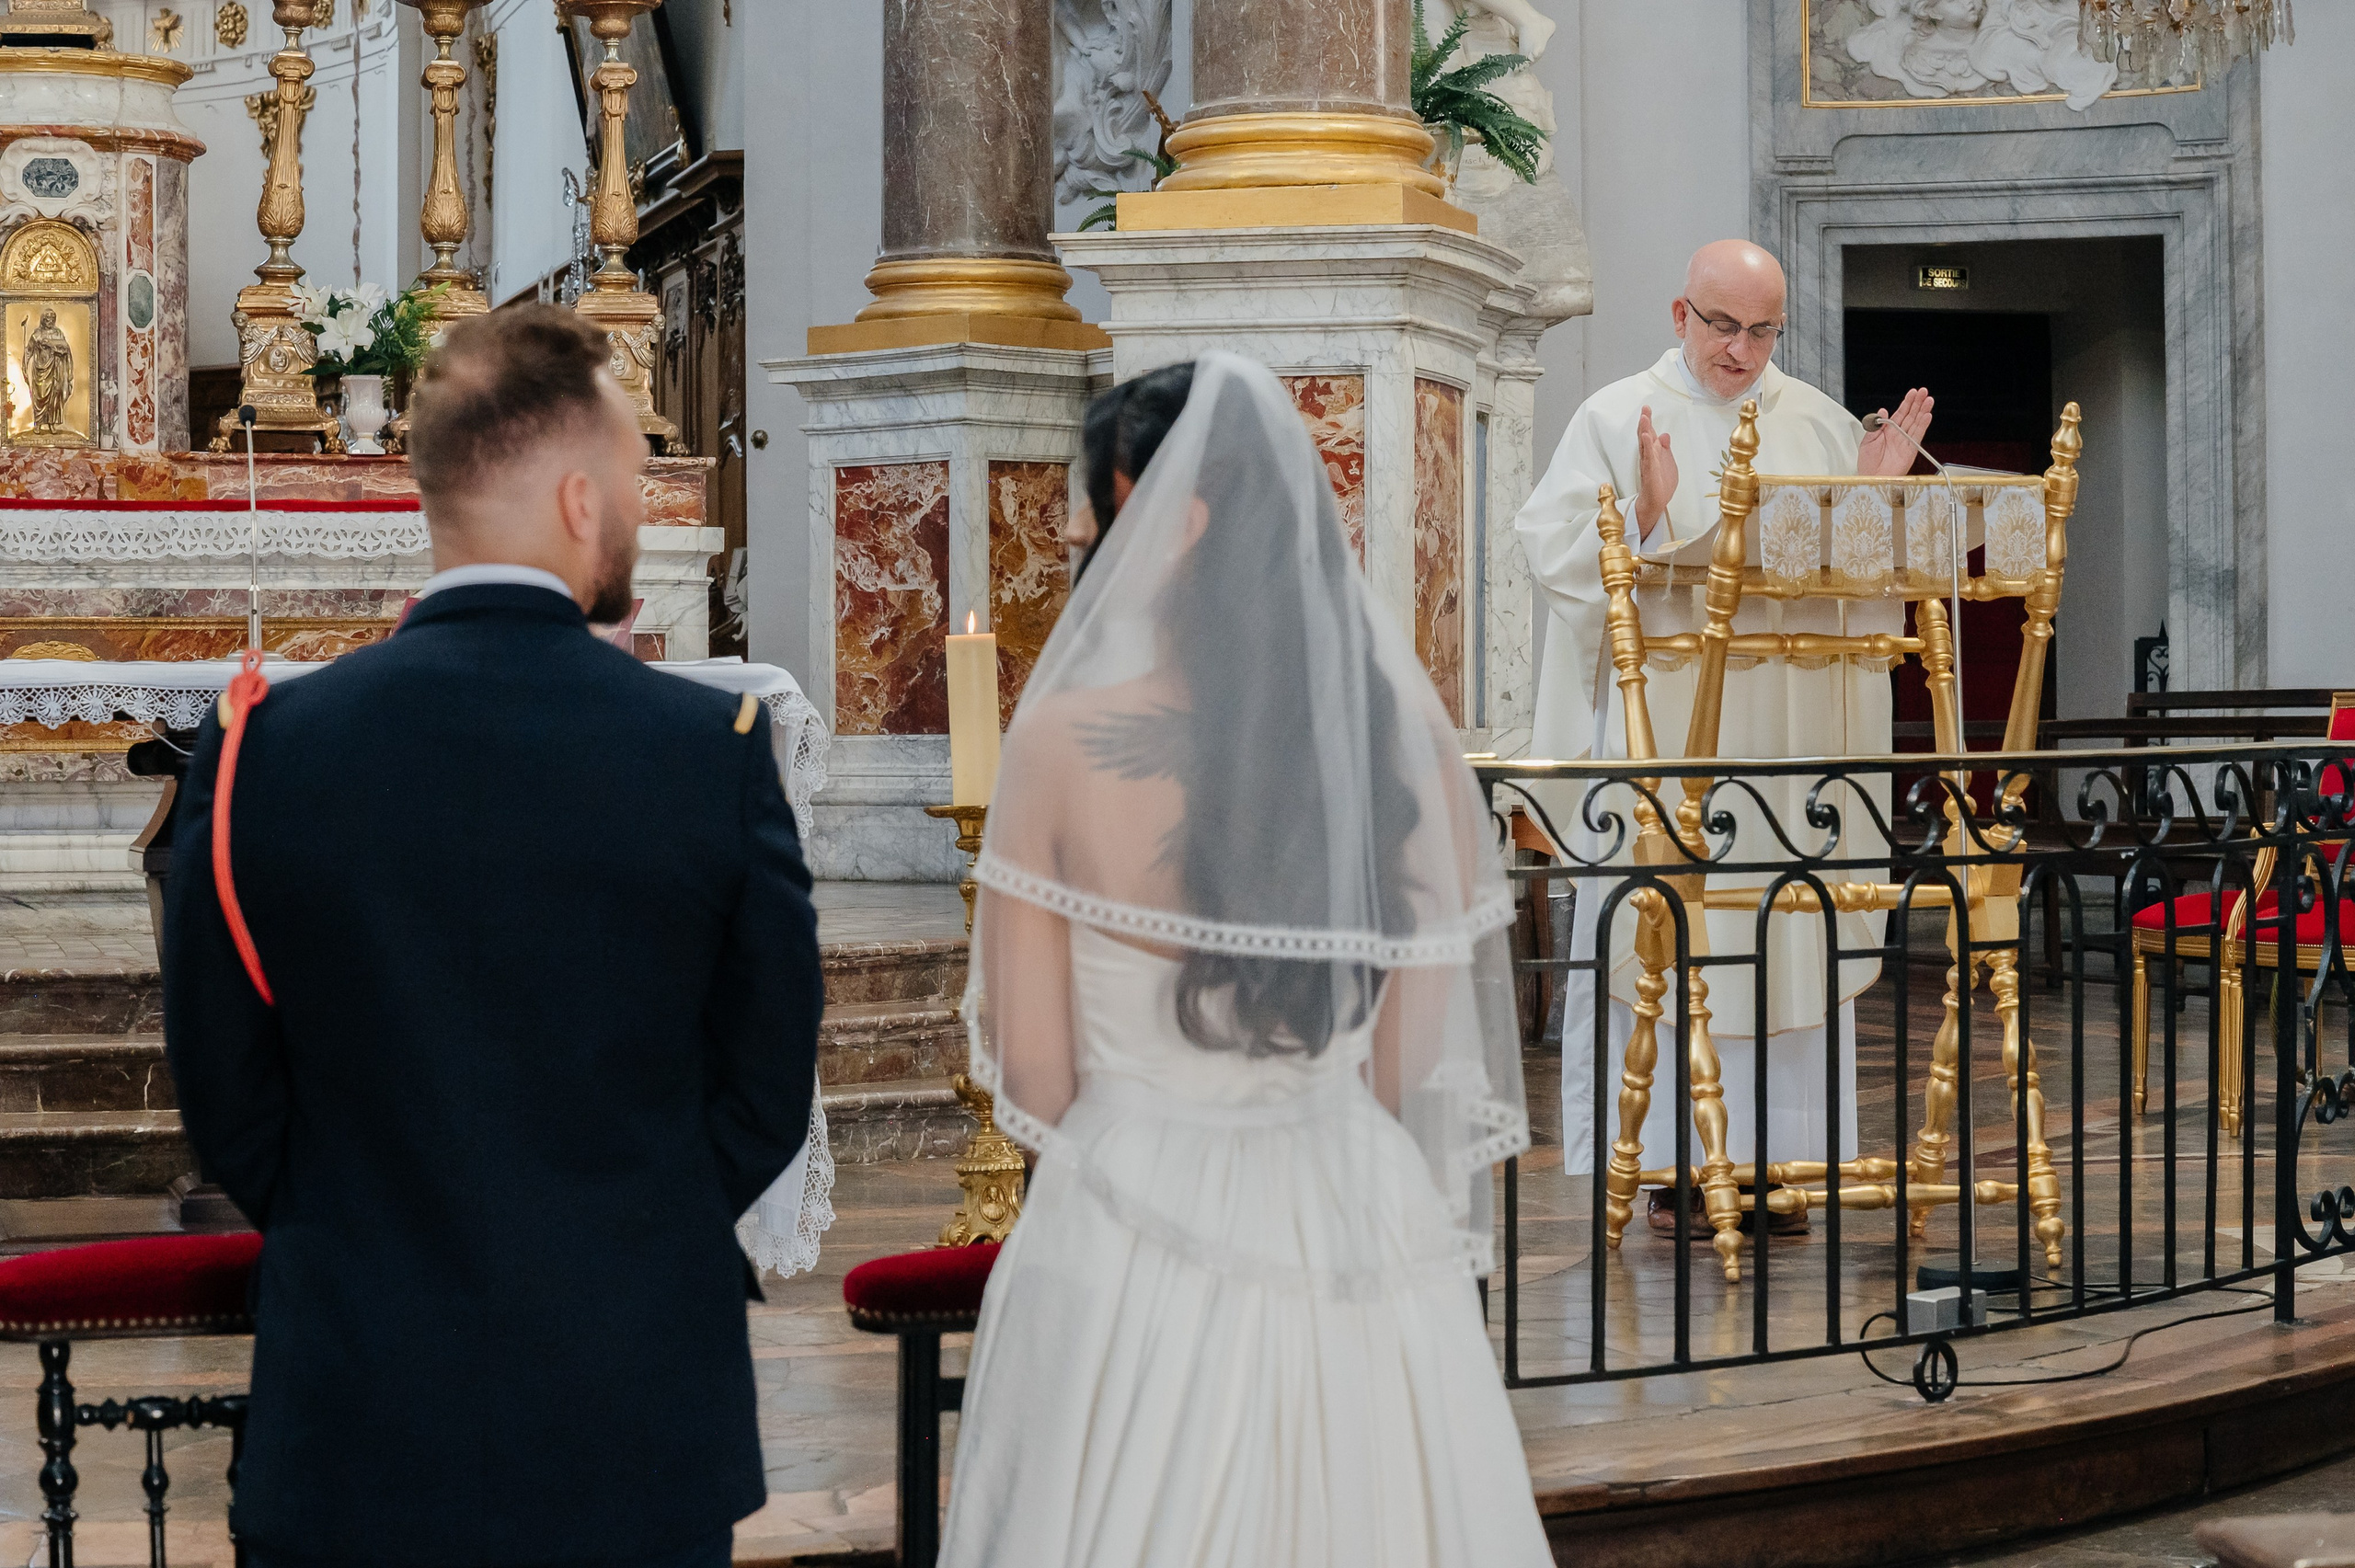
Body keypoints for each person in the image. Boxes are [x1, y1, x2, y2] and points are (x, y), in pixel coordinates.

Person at [162, 304, 823, 1568]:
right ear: (580, 498)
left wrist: (358, 1219)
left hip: (359, 1399)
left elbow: (228, 1093)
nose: (639, 506)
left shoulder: (267, 754)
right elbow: (761, 1086)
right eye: (633, 477)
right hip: (632, 1409)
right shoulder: (705, 757)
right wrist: (635, 1226)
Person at [940, 352, 1546, 1568]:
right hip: (1352, 1200)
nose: (1066, 522)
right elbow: (1402, 1063)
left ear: (1179, 523)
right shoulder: (1399, 745)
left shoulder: (1060, 745)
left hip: (1132, 1220)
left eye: (1091, 496)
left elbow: (1039, 1076)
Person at [1512, 238, 1933, 1224]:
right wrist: (1647, 526)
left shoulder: (1822, 424)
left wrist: (1870, 496)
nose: (1740, 350)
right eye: (1721, 326)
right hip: (1675, 750)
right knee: (1681, 935)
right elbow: (1554, 555)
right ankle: (1670, 1167)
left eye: (1760, 330)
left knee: (1786, 933)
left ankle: (1781, 1165)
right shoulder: (1616, 417)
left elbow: (1863, 592)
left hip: (1789, 754)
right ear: (1678, 315)